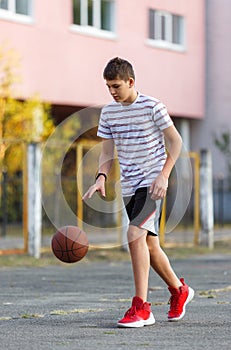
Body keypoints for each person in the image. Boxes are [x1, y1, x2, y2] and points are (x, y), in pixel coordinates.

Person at [83, 57, 194, 328]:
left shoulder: (152, 106)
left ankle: (142, 308)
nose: (112, 91)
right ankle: (179, 291)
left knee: (133, 234)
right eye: (108, 86)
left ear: (131, 82)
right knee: (149, 245)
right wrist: (101, 177)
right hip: (129, 186)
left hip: (153, 184)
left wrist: (163, 175)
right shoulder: (109, 112)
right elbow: (107, 151)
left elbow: (176, 141)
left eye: (116, 85)